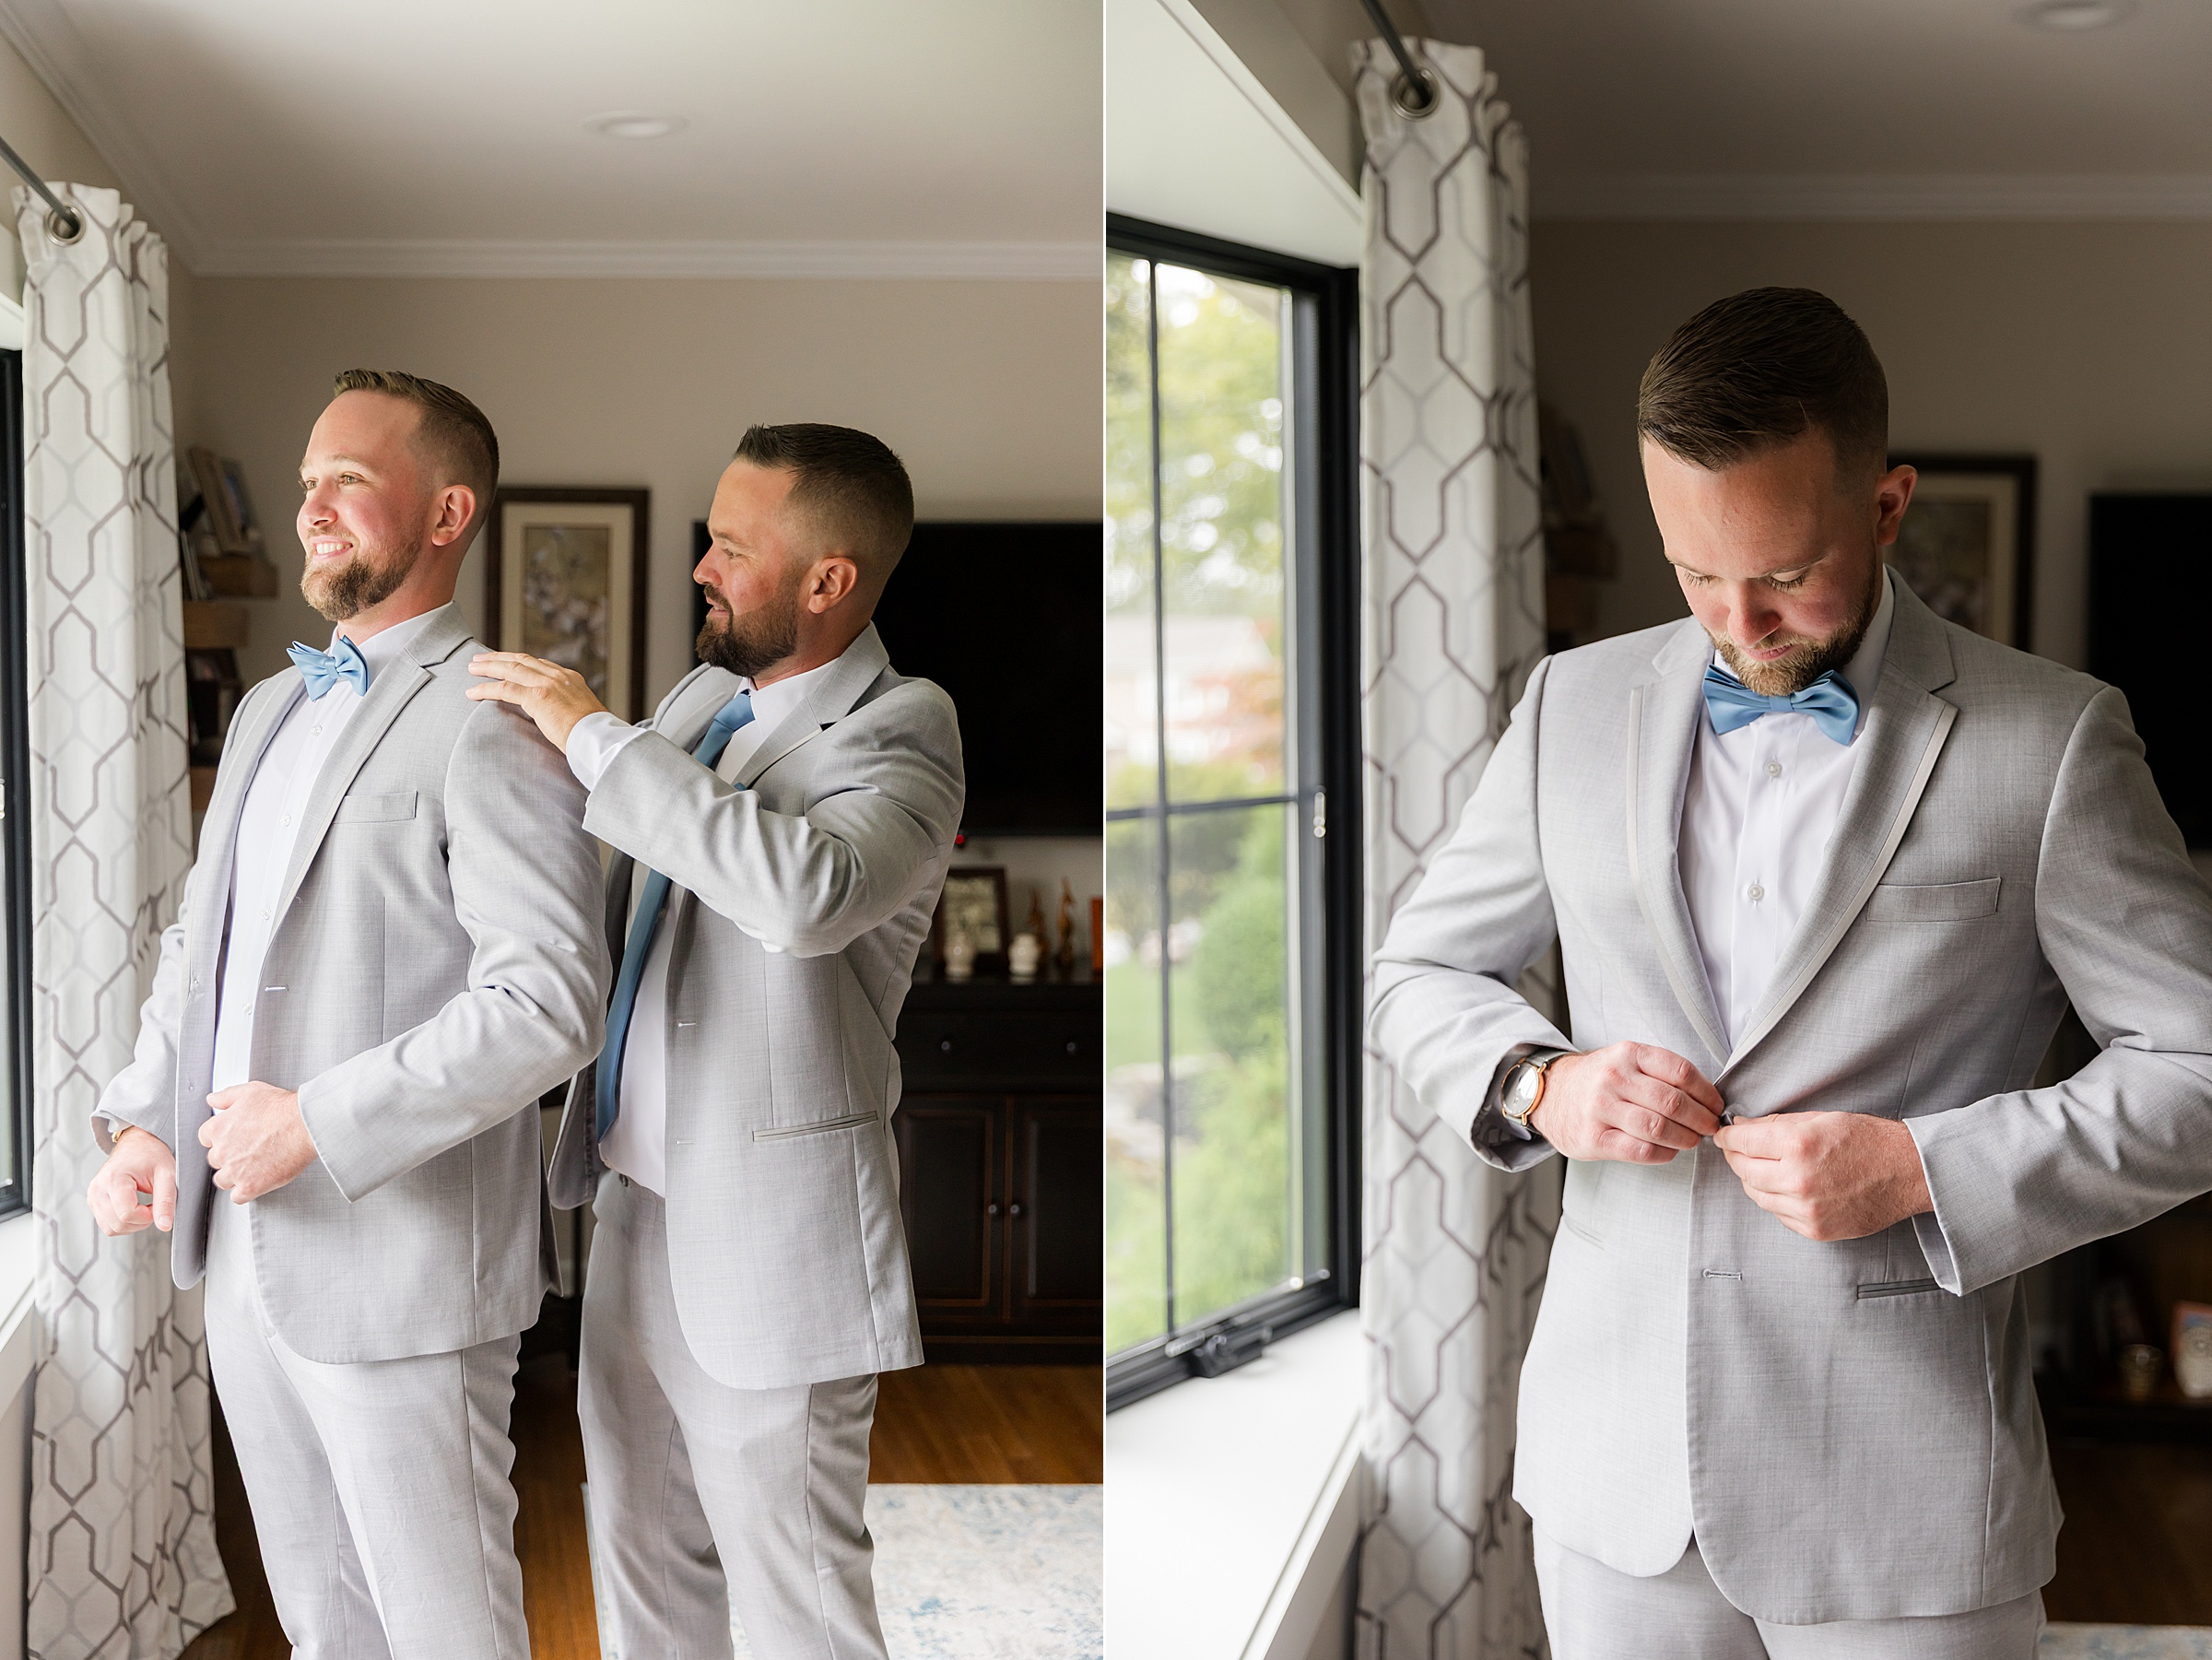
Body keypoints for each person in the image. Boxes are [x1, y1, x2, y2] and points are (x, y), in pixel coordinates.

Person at [1369, 288, 2212, 1658]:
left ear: (1887, 507)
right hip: (1618, 1475)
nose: (1738, 622)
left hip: (1906, 1488)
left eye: (1783, 572)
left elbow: (2199, 1067)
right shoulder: (1569, 708)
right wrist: (1540, 1083)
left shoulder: (2053, 741)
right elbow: (1417, 970)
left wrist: (1926, 1168)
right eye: (1694, 573)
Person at [85, 370, 609, 1659]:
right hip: (244, 1255)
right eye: (307, 480)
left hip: (408, 1273)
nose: (312, 507)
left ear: (447, 512)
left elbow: (549, 1002)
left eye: (349, 482)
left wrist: (314, 1121)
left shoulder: (499, 716)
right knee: (324, 1630)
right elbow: (203, 947)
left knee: (447, 1636)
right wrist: (147, 1120)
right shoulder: (269, 708)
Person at [468, 422, 963, 1660]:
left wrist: (596, 735)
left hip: (775, 1237)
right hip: (632, 1208)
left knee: (801, 1601)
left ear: (828, 579)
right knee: (641, 1562)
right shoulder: (698, 703)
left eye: (732, 547)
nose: (702, 566)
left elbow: (804, 893)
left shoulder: (906, 727)